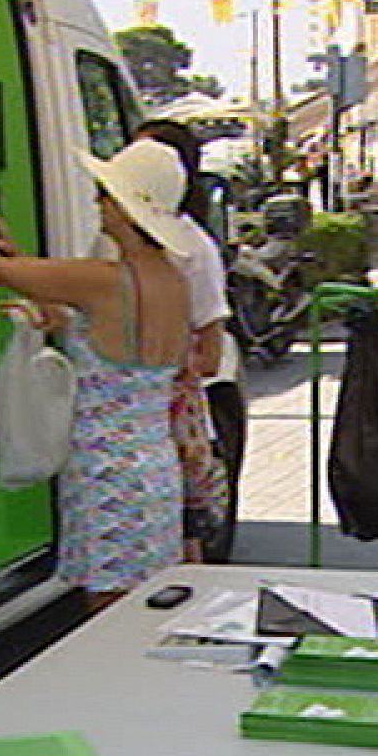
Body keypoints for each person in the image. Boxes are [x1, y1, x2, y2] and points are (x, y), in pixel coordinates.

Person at [0, 139, 196, 610]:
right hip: (155, 468)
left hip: (105, 476)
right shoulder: (172, 281)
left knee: (107, 616)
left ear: (126, 209)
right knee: (140, 611)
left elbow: (0, 273)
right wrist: (17, 259)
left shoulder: (105, 278)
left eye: (105, 195)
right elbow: (110, 337)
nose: (97, 204)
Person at [132, 118, 233, 562]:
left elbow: (210, 355)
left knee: (182, 543)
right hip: (142, 420)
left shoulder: (194, 248)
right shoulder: (121, 244)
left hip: (169, 420)